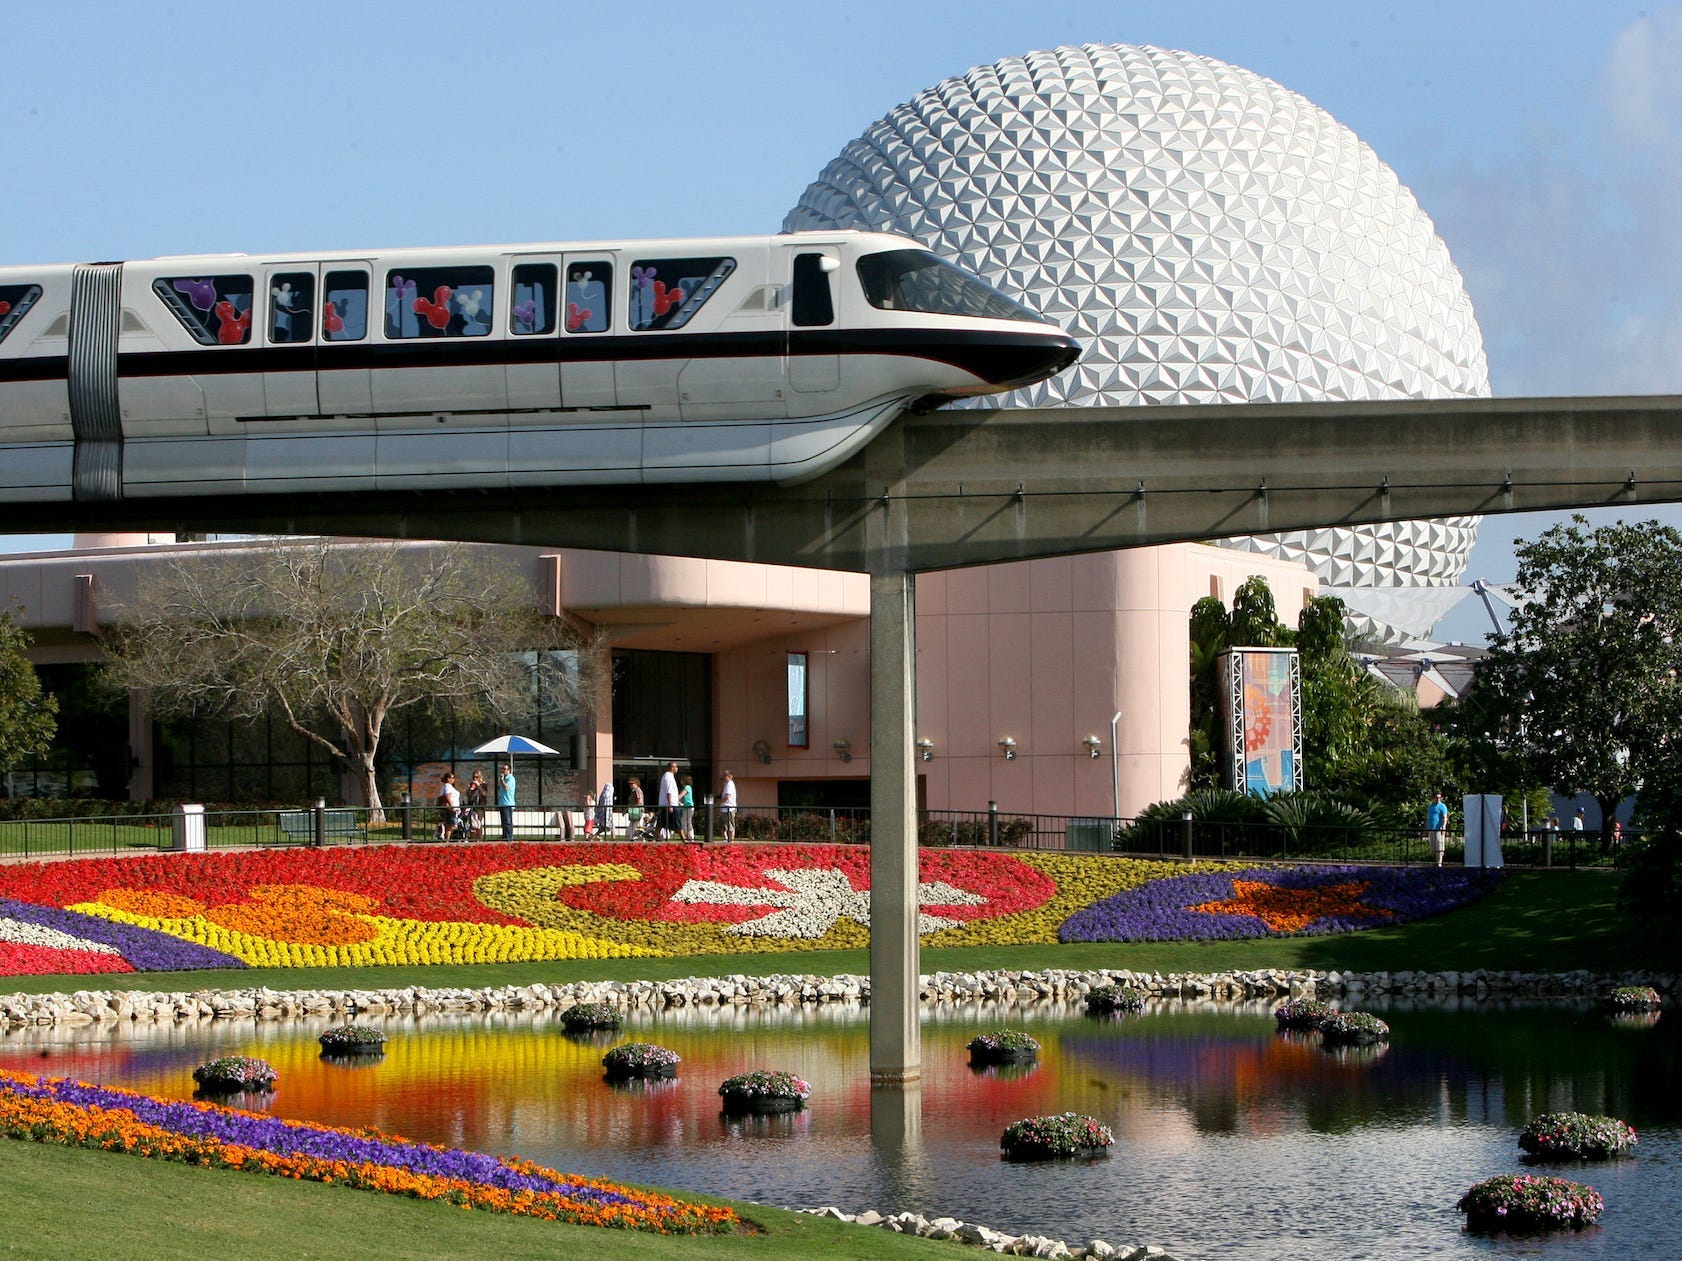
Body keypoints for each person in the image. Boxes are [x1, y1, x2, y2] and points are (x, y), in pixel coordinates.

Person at [436, 771, 461, 842]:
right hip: (451, 808)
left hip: (447, 808)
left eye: (453, 778)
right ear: (447, 778)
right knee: (453, 825)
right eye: (451, 778)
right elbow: (448, 796)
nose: (453, 779)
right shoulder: (448, 786)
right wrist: (452, 807)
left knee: (449, 825)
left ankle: (447, 840)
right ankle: (442, 832)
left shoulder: (444, 787)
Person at [1425, 791, 1448, 868]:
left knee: (1440, 847)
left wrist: (1443, 827)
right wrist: (1426, 828)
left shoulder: (1442, 806)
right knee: (1433, 847)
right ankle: (1436, 862)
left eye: (1439, 797)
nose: (1438, 799)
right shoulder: (1430, 807)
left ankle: (1439, 863)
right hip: (1431, 829)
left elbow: (1445, 817)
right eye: (1436, 797)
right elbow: (1428, 818)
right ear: (1433, 798)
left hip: (1439, 829)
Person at [464, 770, 488, 840]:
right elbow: (467, 795)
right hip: (471, 806)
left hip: (479, 806)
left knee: (478, 823)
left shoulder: (483, 784)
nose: (475, 778)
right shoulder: (472, 784)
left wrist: (478, 785)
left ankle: (479, 839)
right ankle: (472, 838)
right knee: (472, 823)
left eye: (476, 777)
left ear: (480, 777)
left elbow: (484, 793)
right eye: (473, 777)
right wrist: (469, 789)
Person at [497, 762, 516, 840]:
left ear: (509, 770)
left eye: (505, 769)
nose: (504, 770)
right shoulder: (504, 779)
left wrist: (501, 780)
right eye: (503, 769)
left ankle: (509, 837)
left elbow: (506, 788)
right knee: (503, 822)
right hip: (502, 803)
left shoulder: (511, 778)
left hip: (508, 803)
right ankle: (504, 836)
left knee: (508, 821)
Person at [718, 769, 737, 843]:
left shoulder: (730, 784)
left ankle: (731, 840)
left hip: (729, 808)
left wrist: (720, 802)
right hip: (724, 808)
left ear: (729, 776)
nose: (723, 777)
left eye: (724, 775)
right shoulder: (727, 784)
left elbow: (727, 796)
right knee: (722, 824)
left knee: (730, 825)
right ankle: (726, 838)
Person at [678, 774, 695, 843]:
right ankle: (688, 837)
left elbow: (680, 796)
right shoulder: (687, 787)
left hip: (689, 807)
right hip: (686, 807)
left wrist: (676, 799)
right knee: (685, 822)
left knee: (686, 822)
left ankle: (689, 837)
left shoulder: (687, 787)